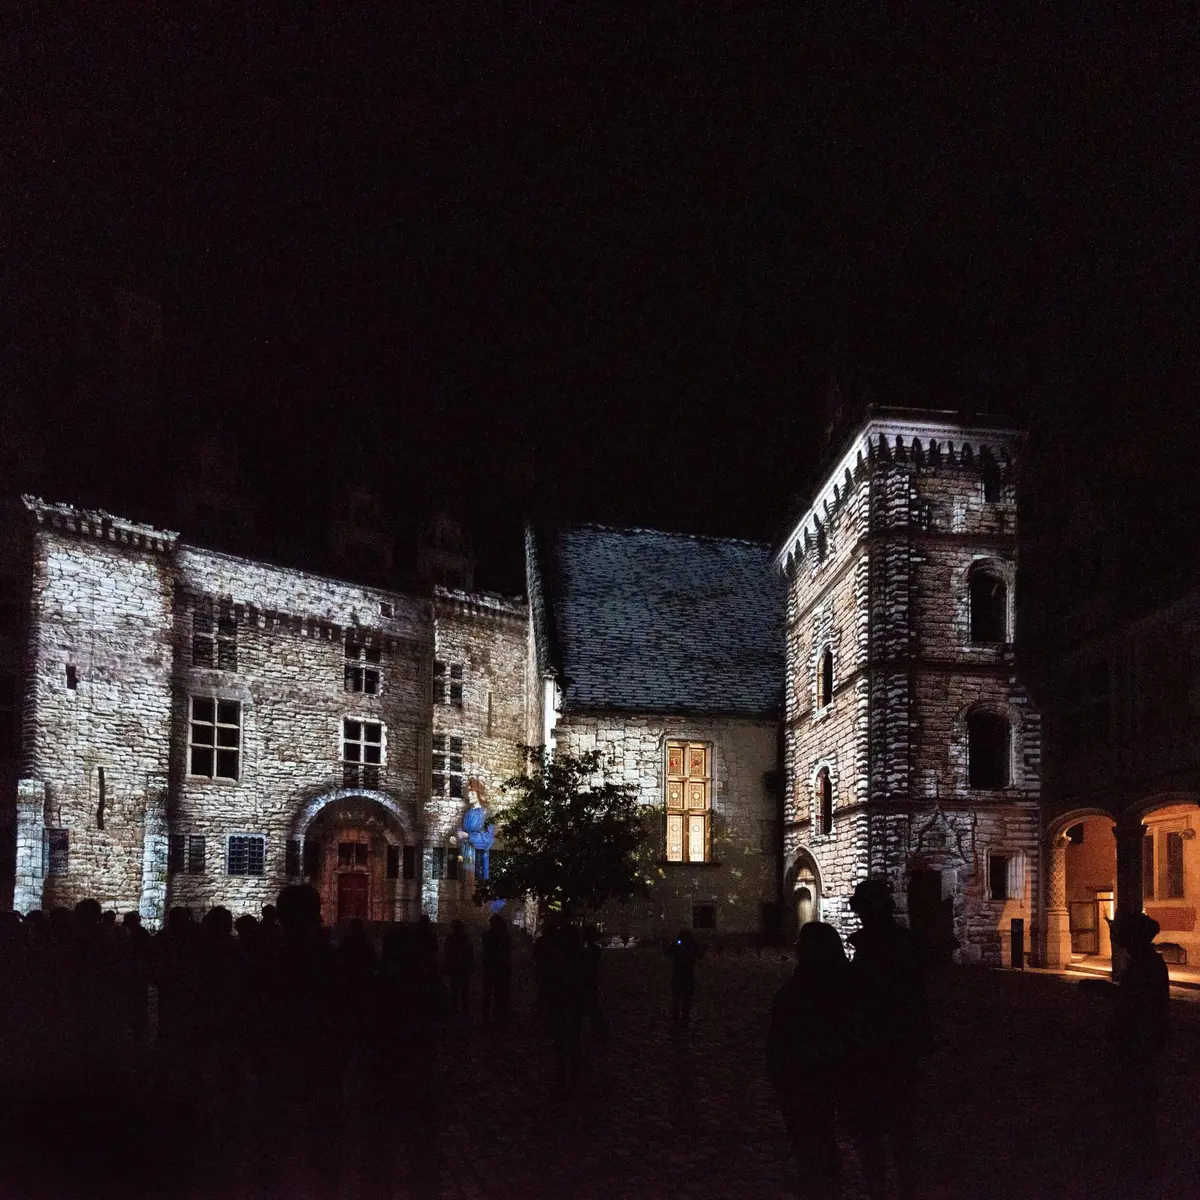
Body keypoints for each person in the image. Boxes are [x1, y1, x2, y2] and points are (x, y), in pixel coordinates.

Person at [845, 878, 931, 1200]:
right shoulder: (904, 947)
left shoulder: (875, 951)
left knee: (876, 1132)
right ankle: (904, 1186)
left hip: (875, 1052)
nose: (861, 915)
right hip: (899, 1052)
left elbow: (864, 1003)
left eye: (863, 909)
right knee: (900, 1128)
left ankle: (882, 1188)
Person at [1081, 910, 1170, 1191]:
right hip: (1142, 1046)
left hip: (1137, 1048)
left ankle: (1140, 1166)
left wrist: (1104, 992)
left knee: (1134, 1104)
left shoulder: (1144, 968)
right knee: (1138, 1105)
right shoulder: (1151, 964)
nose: (1117, 938)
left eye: (1121, 933)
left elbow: (1135, 1006)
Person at [767, 922, 850, 1198]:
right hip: (827, 1075)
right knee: (820, 1130)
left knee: (808, 1132)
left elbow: (781, 1038)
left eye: (801, 941)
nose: (796, 945)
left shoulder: (799, 990)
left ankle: (816, 1183)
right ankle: (824, 1179)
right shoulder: (845, 986)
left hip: (804, 1076)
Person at [543, 921, 587, 1096]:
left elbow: (550, 983)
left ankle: (562, 1080)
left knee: (562, 1045)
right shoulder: (581, 959)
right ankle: (570, 1082)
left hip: (562, 1006)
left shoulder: (557, 960)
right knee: (572, 1045)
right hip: (572, 1006)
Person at [665, 929, 705, 1025]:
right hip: (687, 974)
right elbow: (700, 954)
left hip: (678, 974)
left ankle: (676, 1017)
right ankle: (684, 1016)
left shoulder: (677, 944)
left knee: (677, 997)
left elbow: (667, 952)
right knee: (686, 997)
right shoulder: (692, 944)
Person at [481, 914, 513, 1026]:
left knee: (488, 993)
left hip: (491, 967)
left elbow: (485, 951)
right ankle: (500, 1016)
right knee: (500, 993)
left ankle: (487, 1015)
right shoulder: (505, 937)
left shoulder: (487, 936)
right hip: (502, 968)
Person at [582, 924, 608, 1040]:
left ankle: (600, 1030)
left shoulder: (589, 951)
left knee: (592, 1006)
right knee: (593, 1006)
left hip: (588, 980)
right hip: (591, 980)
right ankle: (599, 1029)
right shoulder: (594, 949)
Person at [443, 919, 474, 1019]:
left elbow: (447, 952)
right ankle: (464, 1011)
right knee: (464, 990)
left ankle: (455, 1010)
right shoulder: (466, 938)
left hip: (454, 967)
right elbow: (469, 952)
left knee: (454, 990)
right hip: (463, 967)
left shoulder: (450, 938)